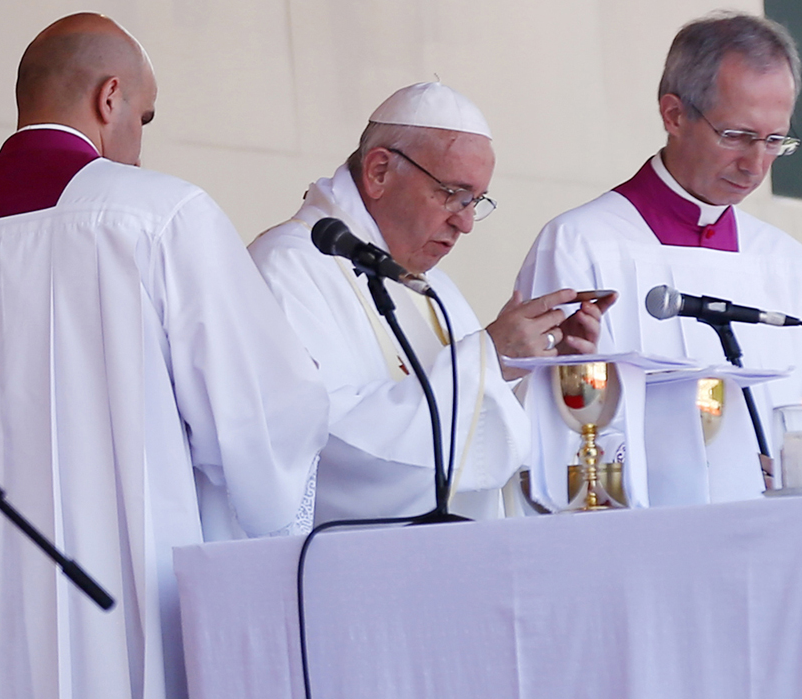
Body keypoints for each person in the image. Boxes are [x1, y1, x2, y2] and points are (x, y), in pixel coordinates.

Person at [0, 13, 329, 699]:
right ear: (109, 98)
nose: (140, 146)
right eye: (144, 119)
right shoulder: (161, 215)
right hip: (122, 596)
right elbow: (260, 425)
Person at [515, 12, 802, 501]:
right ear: (674, 115)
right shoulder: (581, 244)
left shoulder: (787, 264)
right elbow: (552, 434)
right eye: (737, 136)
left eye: (774, 141)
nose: (755, 164)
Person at [249, 82, 613, 521]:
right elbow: (328, 447)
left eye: (475, 201)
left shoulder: (434, 288)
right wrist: (487, 358)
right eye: (452, 194)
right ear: (379, 171)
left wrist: (537, 369)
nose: (465, 222)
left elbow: (486, 453)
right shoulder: (288, 266)